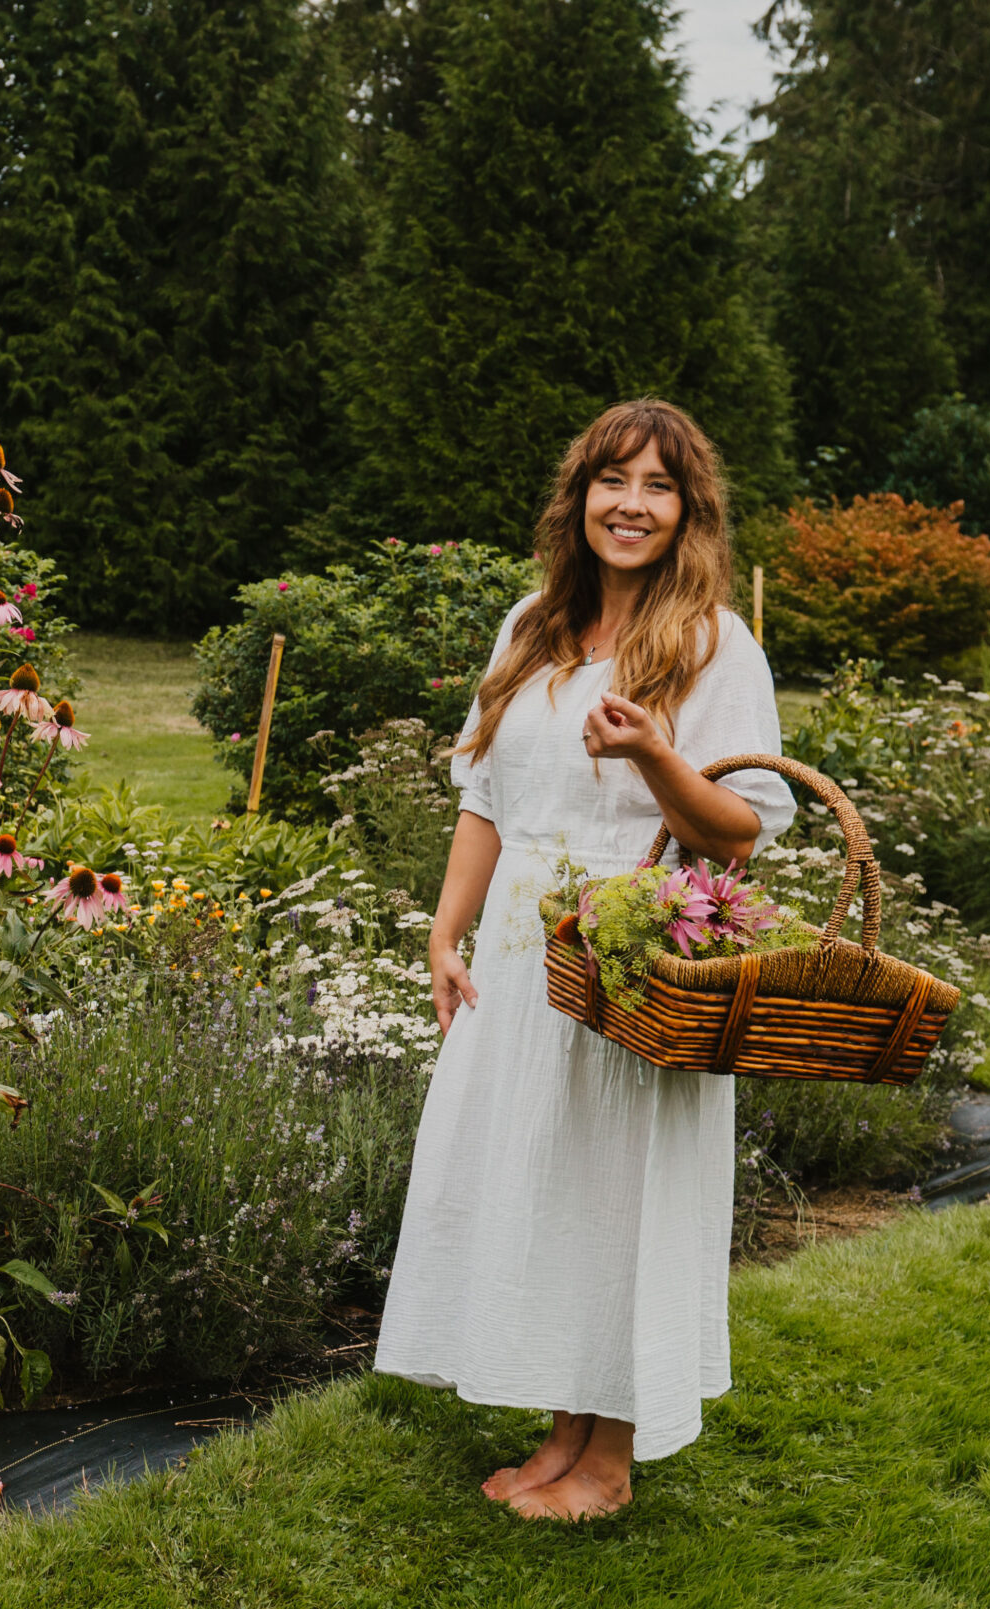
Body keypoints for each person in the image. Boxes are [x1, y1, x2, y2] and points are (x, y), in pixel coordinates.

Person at [373, 398, 795, 1521]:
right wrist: (444, 930)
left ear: (687, 511)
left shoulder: (711, 642)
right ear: (581, 496)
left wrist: (656, 752)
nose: (631, 504)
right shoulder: (531, 623)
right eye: (614, 480)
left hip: (629, 947)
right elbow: (483, 795)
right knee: (546, 1179)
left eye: (658, 486)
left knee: (618, 1190)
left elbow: (742, 827)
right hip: (520, 950)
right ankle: (565, 1431)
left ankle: (609, 1458)